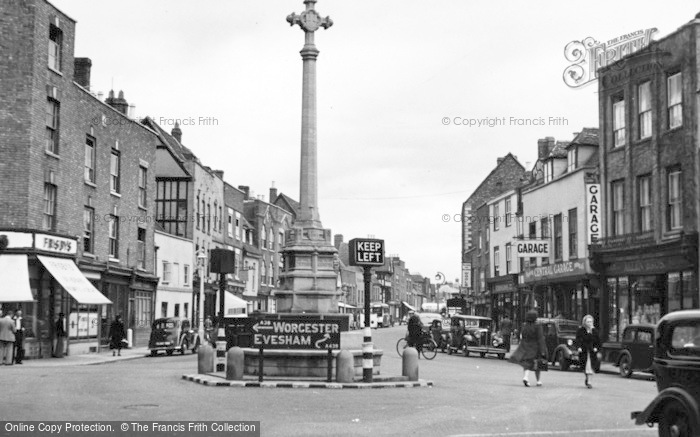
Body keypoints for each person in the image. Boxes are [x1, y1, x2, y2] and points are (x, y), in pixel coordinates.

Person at [508, 309, 546, 387]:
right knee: (537, 364)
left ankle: (526, 377)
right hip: (535, 347)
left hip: (525, 346)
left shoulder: (524, 325)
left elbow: (522, 335)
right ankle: (538, 380)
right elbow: (540, 338)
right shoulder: (538, 326)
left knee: (526, 363)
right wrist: (543, 350)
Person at [576, 314, 602, 389]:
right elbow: (578, 340)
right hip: (584, 350)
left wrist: (596, 348)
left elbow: (598, 341)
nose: (589, 323)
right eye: (588, 322)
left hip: (592, 351)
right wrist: (579, 347)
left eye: (591, 321)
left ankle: (590, 381)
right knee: (585, 367)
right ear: (584, 322)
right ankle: (587, 377)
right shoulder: (580, 330)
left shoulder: (594, 331)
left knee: (591, 366)